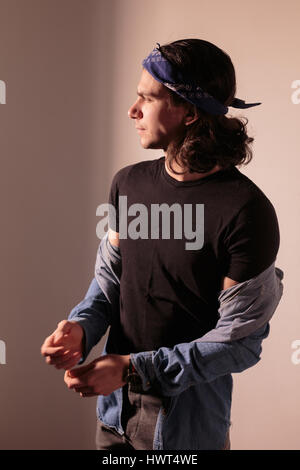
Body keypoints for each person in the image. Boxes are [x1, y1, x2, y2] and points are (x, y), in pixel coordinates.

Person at [41, 39, 284, 450]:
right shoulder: (128, 183)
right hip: (113, 418)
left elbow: (238, 342)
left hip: (187, 431)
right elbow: (108, 285)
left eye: (147, 99)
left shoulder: (246, 211)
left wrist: (134, 369)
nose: (132, 111)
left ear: (190, 112)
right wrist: (81, 330)